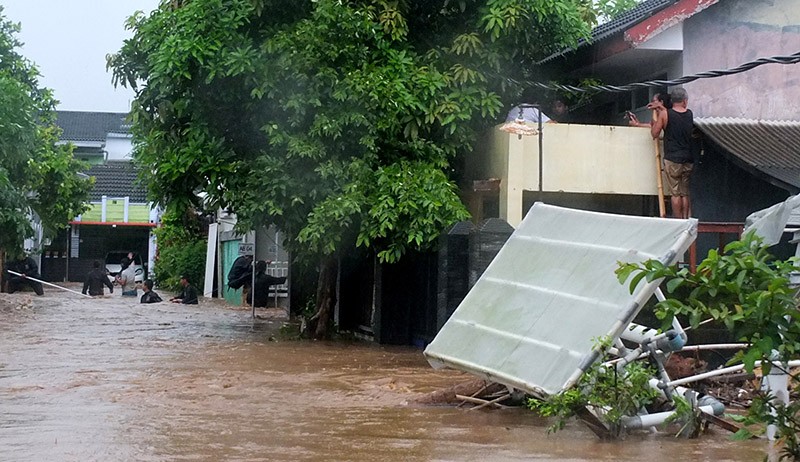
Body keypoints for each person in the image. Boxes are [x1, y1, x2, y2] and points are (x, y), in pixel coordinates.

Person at [650, 88, 694, 219]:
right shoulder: (690, 114)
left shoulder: (665, 114)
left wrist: (656, 117)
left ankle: (678, 221)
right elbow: (678, 118)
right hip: (688, 159)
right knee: (684, 193)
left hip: (673, 159)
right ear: (685, 101)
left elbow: (654, 133)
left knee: (675, 193)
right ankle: (686, 219)